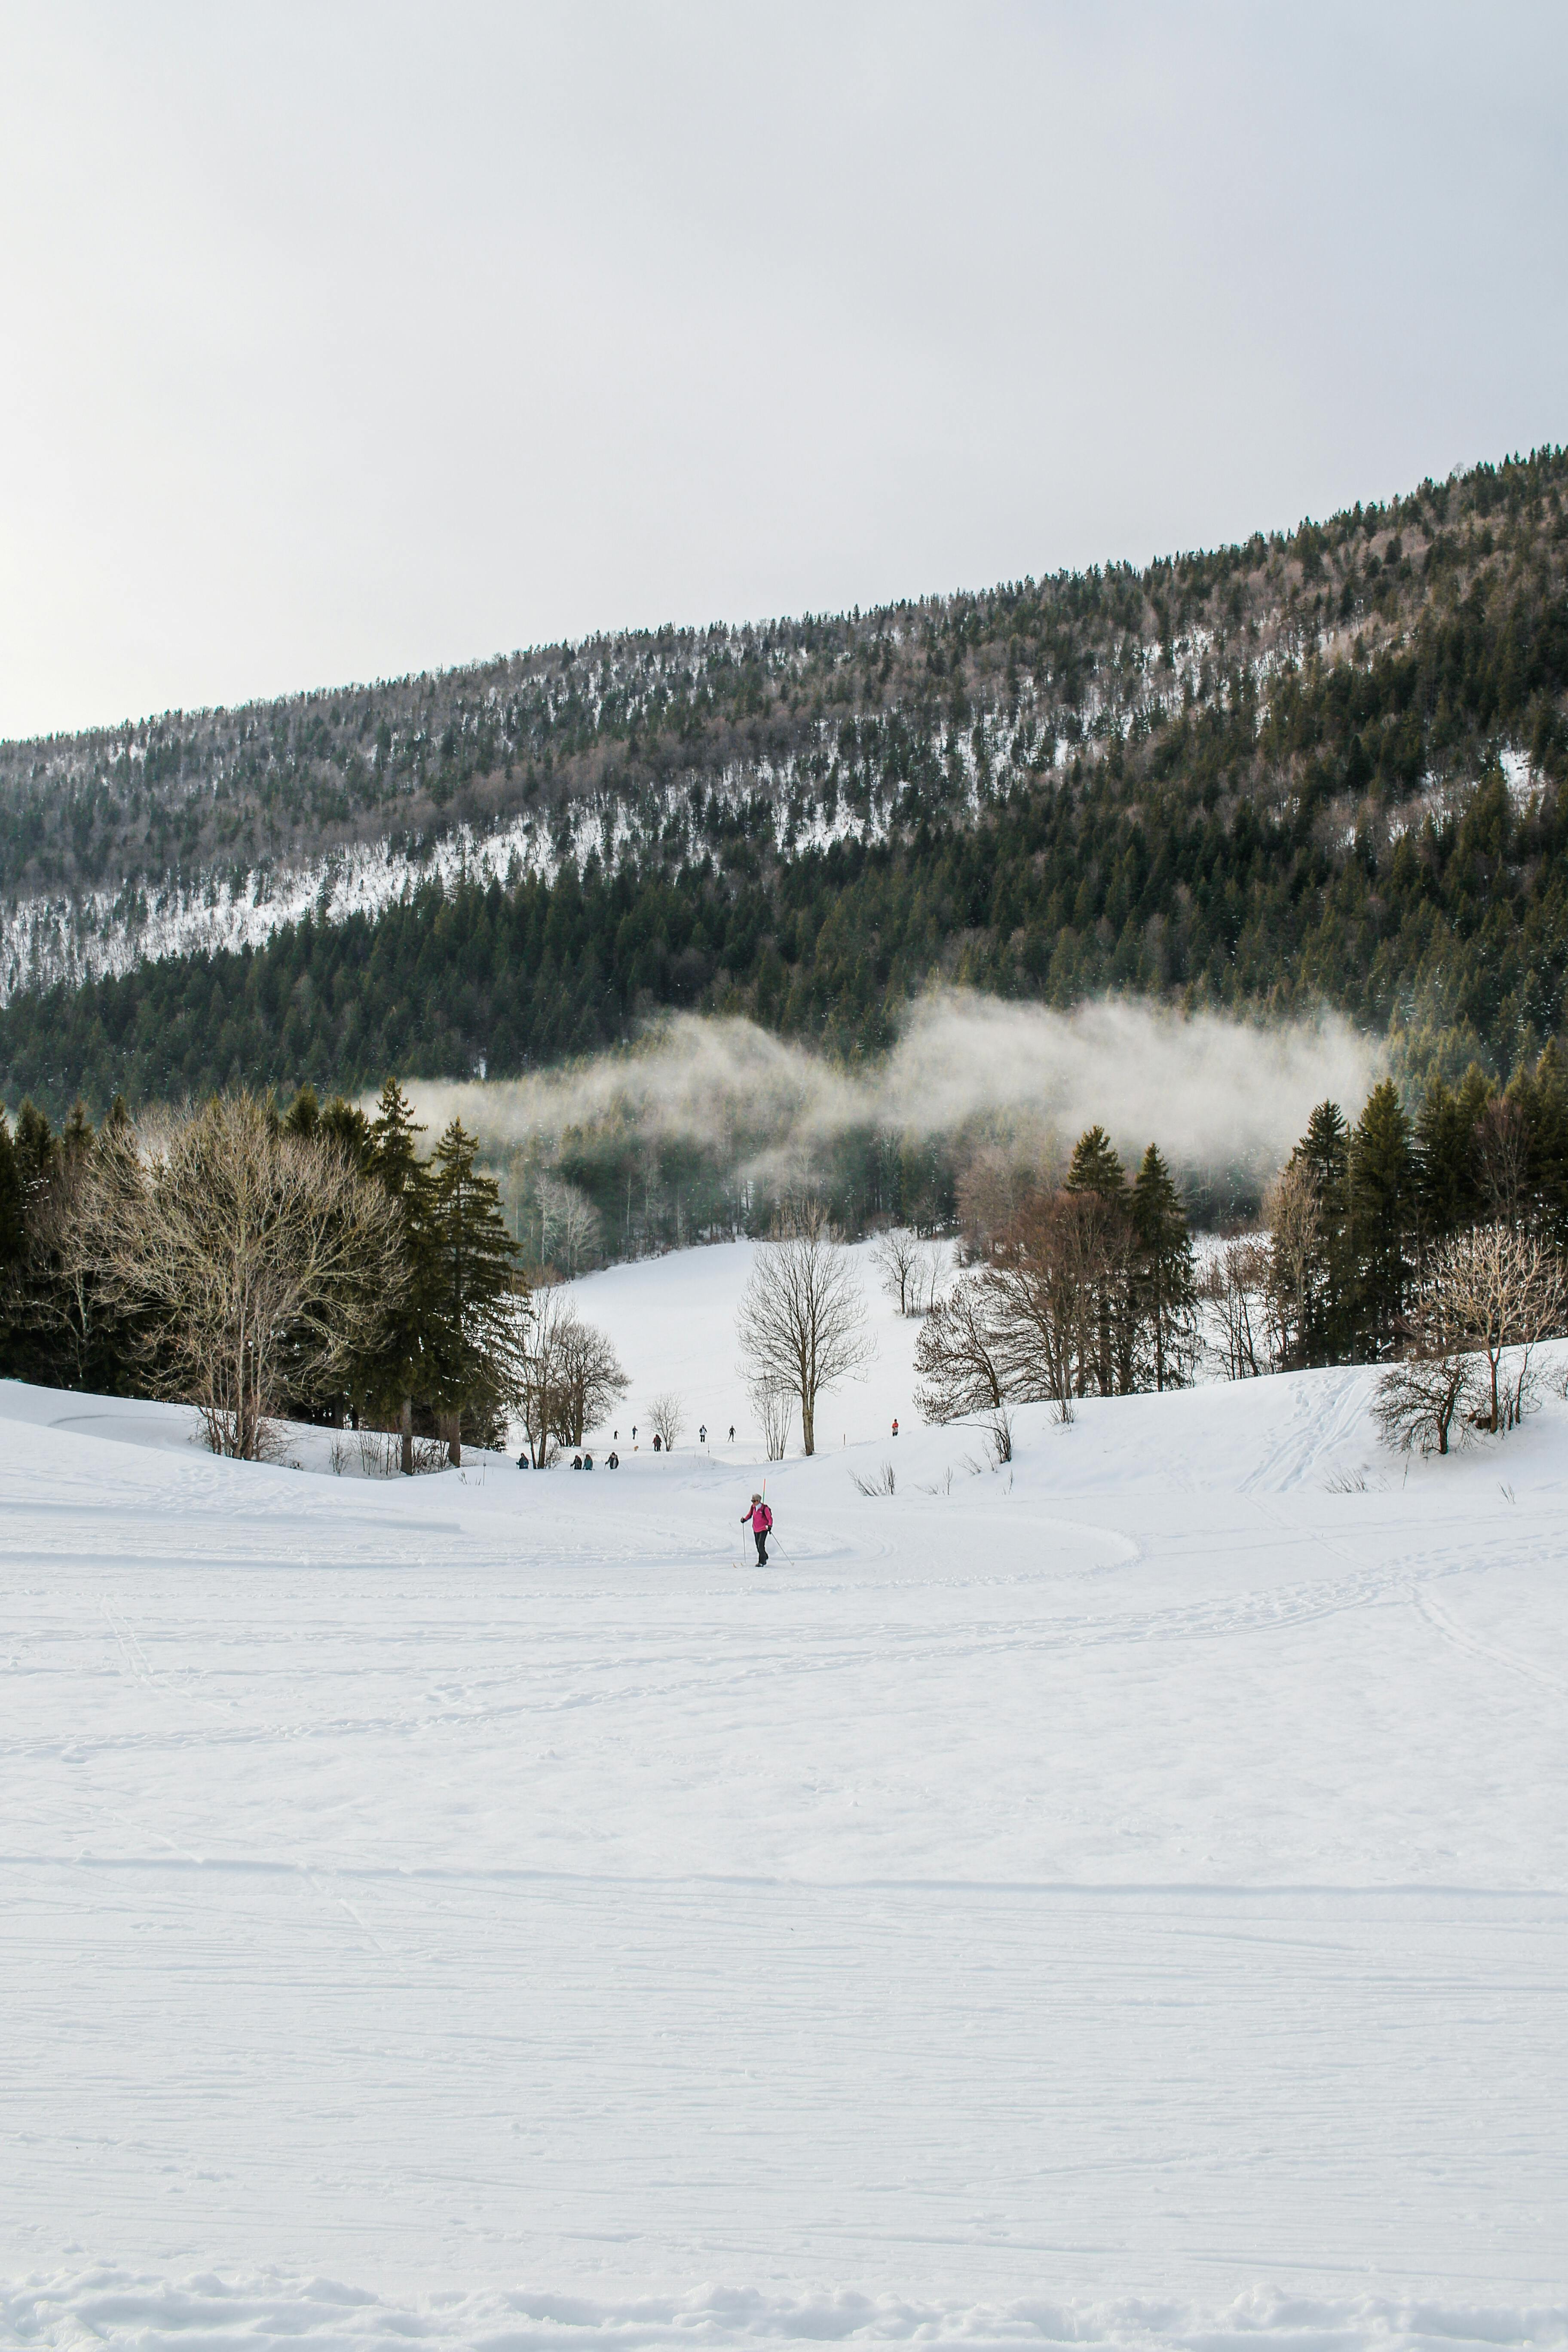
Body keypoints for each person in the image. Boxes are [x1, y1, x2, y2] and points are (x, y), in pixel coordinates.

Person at [742, 1491, 773, 1565]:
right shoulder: (753, 1507)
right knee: (758, 1545)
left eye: (755, 1501)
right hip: (756, 1529)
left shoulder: (764, 1509)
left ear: (759, 1501)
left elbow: (770, 1518)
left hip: (764, 1529)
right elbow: (749, 1515)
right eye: (752, 1501)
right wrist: (745, 1519)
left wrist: (770, 1525)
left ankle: (762, 1562)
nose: (753, 1502)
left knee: (761, 1545)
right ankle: (765, 1556)